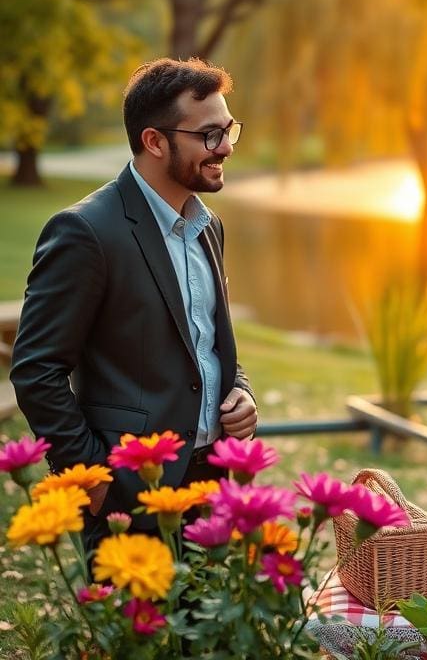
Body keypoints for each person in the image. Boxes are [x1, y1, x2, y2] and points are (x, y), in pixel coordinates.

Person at [11, 58, 257, 551]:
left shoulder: (209, 226)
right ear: (154, 141)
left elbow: (204, 341)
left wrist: (241, 391)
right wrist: (98, 481)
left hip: (213, 486)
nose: (226, 146)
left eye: (228, 129)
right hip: (129, 501)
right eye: (210, 135)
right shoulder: (84, 232)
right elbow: (37, 370)